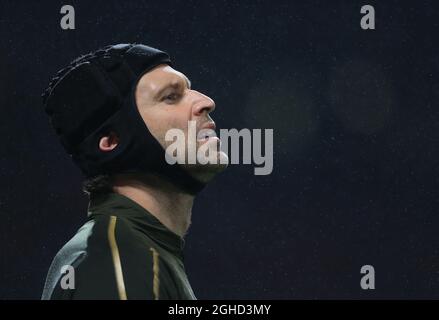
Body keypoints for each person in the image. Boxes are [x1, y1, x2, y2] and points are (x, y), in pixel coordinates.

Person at [41, 43, 228, 300]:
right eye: (171, 97)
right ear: (112, 142)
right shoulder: (116, 263)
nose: (206, 102)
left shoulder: (134, 251)